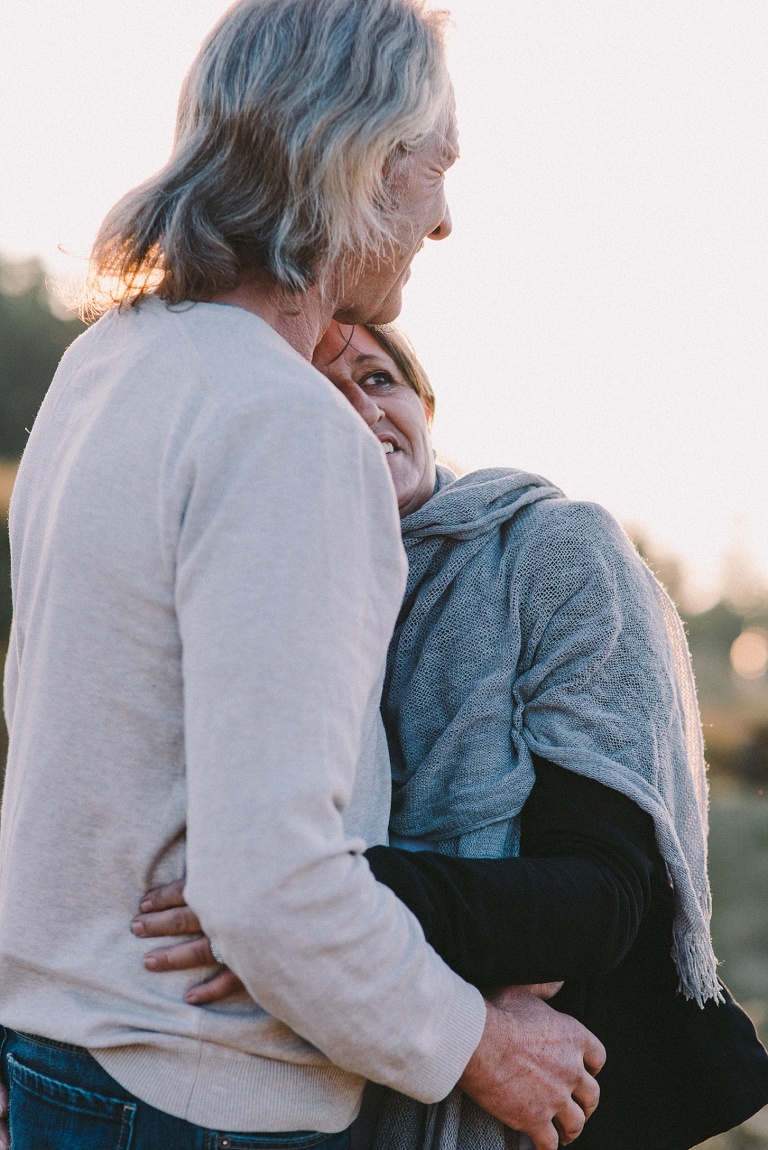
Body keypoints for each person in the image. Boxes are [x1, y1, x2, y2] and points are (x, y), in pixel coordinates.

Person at [135, 321, 768, 1149]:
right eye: (321, 392)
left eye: (376, 378)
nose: (359, 410)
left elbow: (601, 899)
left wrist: (293, 899)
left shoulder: (554, 552)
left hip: (557, 1101)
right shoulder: (281, 590)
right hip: (327, 1087)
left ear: (425, 407)